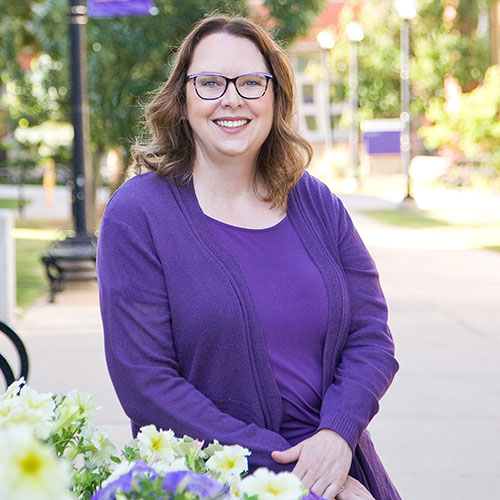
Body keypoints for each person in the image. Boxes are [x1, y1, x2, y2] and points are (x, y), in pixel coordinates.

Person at [97, 15, 401, 500]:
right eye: (211, 83)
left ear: (275, 96)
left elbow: (372, 338)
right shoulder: (138, 215)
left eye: (251, 83)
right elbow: (147, 385)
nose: (232, 98)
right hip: (210, 479)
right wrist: (294, 475)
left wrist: (338, 434)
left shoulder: (314, 202)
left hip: (339, 469)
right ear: (183, 98)